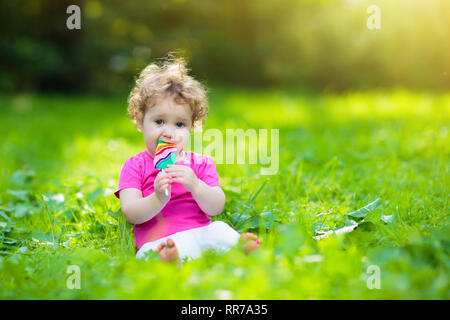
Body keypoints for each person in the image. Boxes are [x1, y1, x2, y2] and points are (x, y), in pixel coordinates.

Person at [114, 54, 261, 265]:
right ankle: (170, 257)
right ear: (140, 121)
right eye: (159, 121)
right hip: (160, 238)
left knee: (219, 229)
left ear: (192, 127)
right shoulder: (134, 166)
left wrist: (196, 186)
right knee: (149, 252)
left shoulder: (201, 164)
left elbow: (216, 207)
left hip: (202, 231)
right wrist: (157, 199)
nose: (169, 132)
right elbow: (131, 213)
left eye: (179, 124)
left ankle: (240, 248)